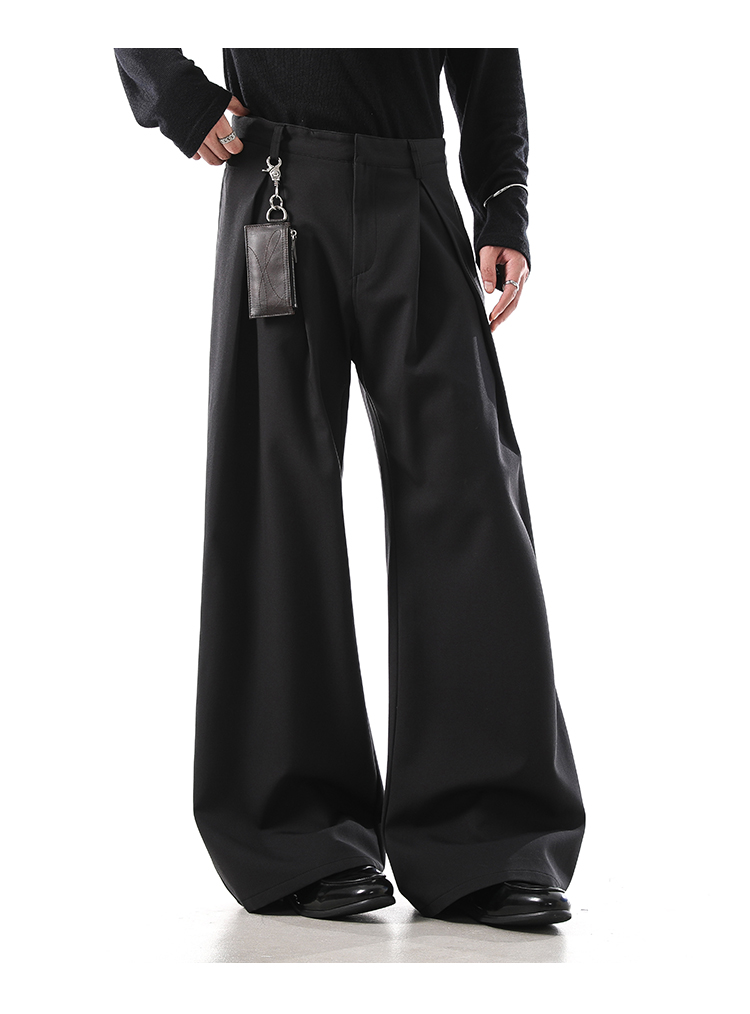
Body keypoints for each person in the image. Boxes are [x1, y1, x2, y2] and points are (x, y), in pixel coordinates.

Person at [114, 48, 586, 929]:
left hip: (415, 179)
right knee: (274, 498)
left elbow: (484, 43)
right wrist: (170, 91)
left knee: (471, 496)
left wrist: (502, 199)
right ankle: (296, 834)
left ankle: (486, 836)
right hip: (277, 176)